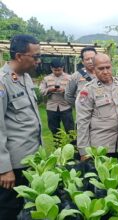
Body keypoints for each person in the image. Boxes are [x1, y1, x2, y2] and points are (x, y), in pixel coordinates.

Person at [0, 34, 41, 219]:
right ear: (19, 56)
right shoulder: (3, 82)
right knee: (10, 208)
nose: (38, 61)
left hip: (32, 158)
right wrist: (4, 168)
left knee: (28, 206)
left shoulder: (25, 78)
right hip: (14, 165)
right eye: (35, 56)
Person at [76, 53, 118, 160]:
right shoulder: (88, 90)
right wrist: (83, 150)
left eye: (108, 67)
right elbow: (82, 122)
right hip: (101, 146)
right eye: (101, 68)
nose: (105, 71)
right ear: (94, 70)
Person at [39, 59, 74, 138]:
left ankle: (73, 148)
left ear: (63, 68)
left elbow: (74, 91)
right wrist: (49, 90)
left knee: (70, 129)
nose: (57, 72)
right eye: (55, 70)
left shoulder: (70, 78)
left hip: (65, 106)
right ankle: (58, 147)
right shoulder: (46, 79)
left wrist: (65, 90)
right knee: (54, 130)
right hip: (51, 107)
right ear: (51, 68)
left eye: (59, 70)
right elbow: (41, 90)